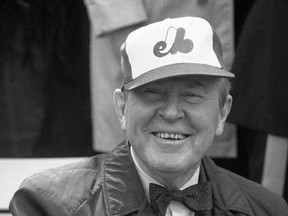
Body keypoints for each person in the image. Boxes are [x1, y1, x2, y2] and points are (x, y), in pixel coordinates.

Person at [9, 17, 288, 216]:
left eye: (192, 95)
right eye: (152, 92)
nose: (171, 112)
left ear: (222, 112)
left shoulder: (268, 209)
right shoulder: (46, 205)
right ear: (121, 108)